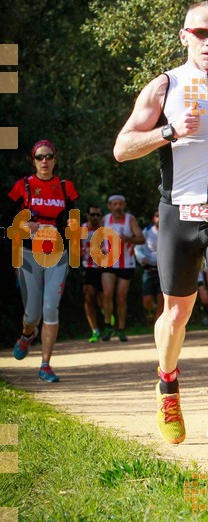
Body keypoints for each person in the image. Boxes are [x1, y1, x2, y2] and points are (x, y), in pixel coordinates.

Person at [113, 0, 208, 445]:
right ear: (184, 36)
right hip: (177, 216)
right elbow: (122, 148)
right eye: (201, 32)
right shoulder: (163, 88)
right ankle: (167, 384)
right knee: (176, 314)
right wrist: (169, 131)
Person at [6, 139, 78, 382]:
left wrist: (73, 226)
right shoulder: (23, 186)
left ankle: (45, 364)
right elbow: (6, 220)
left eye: (48, 156)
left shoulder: (66, 187)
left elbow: (74, 220)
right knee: (32, 314)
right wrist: (22, 225)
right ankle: (27, 335)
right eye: (40, 157)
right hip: (28, 254)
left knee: (50, 309)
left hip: (58, 254)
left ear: (55, 160)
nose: (44, 161)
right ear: (33, 160)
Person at [100, 194, 144, 342]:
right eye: (115, 204)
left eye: (120, 204)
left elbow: (141, 238)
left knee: (121, 297)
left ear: (124, 205)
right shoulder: (105, 219)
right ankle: (107, 326)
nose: (117, 207)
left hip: (126, 263)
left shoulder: (129, 219)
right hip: (108, 263)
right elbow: (98, 239)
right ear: (109, 206)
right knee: (107, 294)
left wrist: (129, 239)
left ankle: (121, 328)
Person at [134, 209, 164, 322]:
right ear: (153, 218)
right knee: (147, 301)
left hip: (163, 271)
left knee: (162, 299)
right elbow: (137, 248)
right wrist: (142, 258)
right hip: (149, 270)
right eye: (157, 216)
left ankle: (158, 324)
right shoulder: (146, 232)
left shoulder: (169, 232)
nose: (159, 218)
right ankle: (152, 310)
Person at [81, 204, 104, 342]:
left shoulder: (105, 229)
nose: (95, 217)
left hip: (104, 267)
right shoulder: (82, 229)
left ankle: (107, 319)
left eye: (98, 215)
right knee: (89, 297)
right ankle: (95, 330)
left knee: (102, 300)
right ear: (87, 215)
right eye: (93, 214)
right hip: (88, 266)